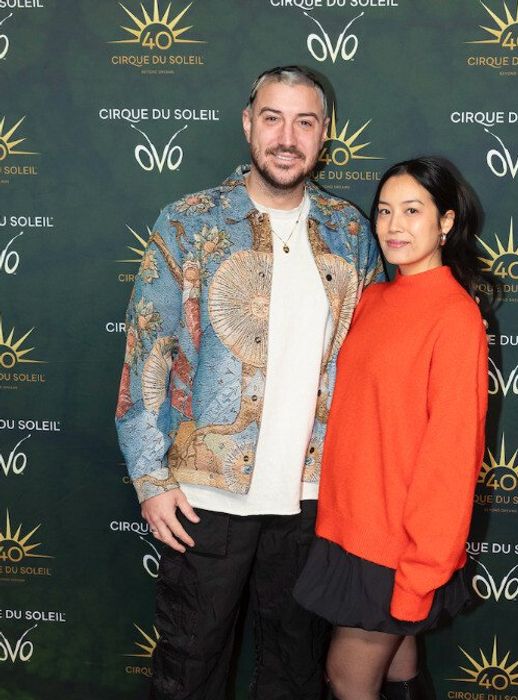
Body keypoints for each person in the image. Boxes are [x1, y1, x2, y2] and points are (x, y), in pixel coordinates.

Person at [115, 65, 380, 698]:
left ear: (324, 135)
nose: (286, 137)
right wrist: (151, 481)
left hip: (313, 502)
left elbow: (374, 354)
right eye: (273, 118)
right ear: (247, 124)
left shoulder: (349, 233)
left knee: (292, 677)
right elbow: (147, 352)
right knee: (189, 672)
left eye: (304, 122)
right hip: (206, 500)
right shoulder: (188, 223)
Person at [293, 156, 492, 700]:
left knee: (345, 677)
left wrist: (419, 572)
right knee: (399, 664)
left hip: (395, 544)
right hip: (347, 526)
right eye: (384, 211)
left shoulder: (455, 316)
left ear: (446, 222)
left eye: (412, 210)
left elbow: (451, 456)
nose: (393, 226)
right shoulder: (374, 299)